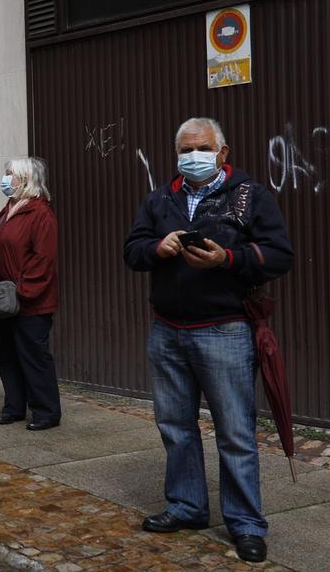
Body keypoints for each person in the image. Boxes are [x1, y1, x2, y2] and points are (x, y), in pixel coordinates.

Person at [123, 117, 293, 564]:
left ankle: (246, 525)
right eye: (185, 150)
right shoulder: (161, 198)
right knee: (175, 426)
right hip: (167, 330)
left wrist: (227, 258)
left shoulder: (250, 196)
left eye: (201, 148)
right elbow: (132, 248)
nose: (192, 156)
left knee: (235, 433)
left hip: (224, 331)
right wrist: (156, 249)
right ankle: (187, 506)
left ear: (222, 152)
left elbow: (279, 254)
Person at [0, 157, 61, 432]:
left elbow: (43, 259)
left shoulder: (40, 214)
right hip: (6, 302)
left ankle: (46, 411)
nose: (5, 178)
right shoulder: (10, 209)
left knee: (33, 357)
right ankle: (14, 406)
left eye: (10, 174)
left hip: (29, 304)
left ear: (25, 179)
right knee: (8, 356)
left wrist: (23, 291)